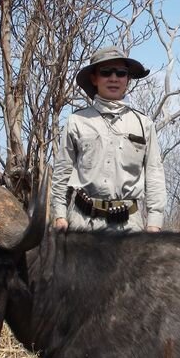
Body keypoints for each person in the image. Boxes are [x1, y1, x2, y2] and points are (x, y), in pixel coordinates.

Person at [51, 46, 165, 233]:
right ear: (94, 78)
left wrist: (154, 222)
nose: (114, 78)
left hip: (129, 227)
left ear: (128, 79)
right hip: (83, 225)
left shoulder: (144, 124)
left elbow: (154, 174)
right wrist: (60, 215)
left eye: (121, 73)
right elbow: (62, 171)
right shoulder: (76, 121)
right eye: (106, 72)